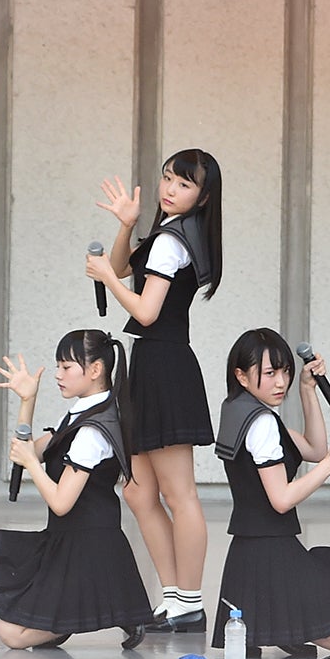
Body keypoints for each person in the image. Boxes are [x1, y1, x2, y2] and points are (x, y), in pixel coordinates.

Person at [85, 148, 224, 632]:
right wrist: (126, 226)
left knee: (178, 493)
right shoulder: (171, 232)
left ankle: (190, 601)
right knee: (139, 492)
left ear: (203, 197)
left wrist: (107, 277)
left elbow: (145, 311)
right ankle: (173, 597)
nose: (170, 189)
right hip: (149, 366)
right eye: (167, 178)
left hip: (164, 366)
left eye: (184, 184)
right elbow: (124, 267)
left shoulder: (173, 241)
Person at [211, 329, 330, 655]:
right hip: (271, 551)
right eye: (270, 373)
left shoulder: (239, 409)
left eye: (285, 372)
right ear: (241, 376)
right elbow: (282, 499)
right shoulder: (261, 423)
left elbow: (313, 448)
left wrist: (307, 389)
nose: (280, 382)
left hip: (252, 548)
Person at [0, 333, 151, 649]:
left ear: (95, 369)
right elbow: (28, 452)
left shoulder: (93, 430)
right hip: (69, 538)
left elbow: (61, 501)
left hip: (88, 546)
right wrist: (27, 400)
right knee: (13, 625)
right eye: (57, 367)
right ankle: (102, 611)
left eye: (66, 367)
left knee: (11, 634)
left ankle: (85, 615)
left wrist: (30, 463)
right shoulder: (84, 413)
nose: (58, 375)